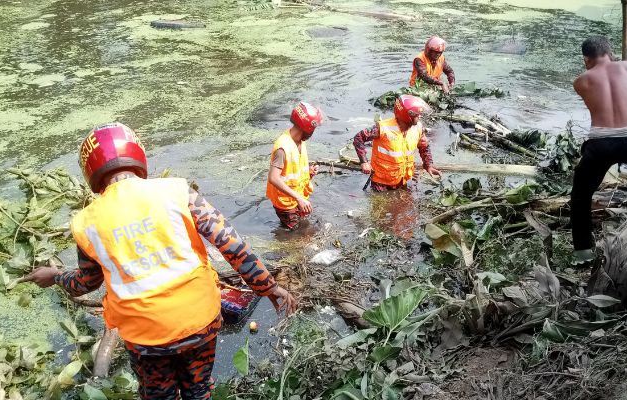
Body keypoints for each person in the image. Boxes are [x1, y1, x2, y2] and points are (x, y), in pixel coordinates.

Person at [24, 123, 296, 399]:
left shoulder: (86, 223)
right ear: (137, 154)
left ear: (90, 172)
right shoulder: (179, 191)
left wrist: (55, 275)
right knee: (198, 390)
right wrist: (268, 287)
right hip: (199, 321)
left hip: (145, 338)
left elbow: (85, 284)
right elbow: (232, 245)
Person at [570, 36, 627, 264]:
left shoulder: (580, 81)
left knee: (581, 195)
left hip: (601, 145)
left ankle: (583, 252)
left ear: (586, 59)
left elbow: (600, 99)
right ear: (610, 53)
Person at [353, 95, 441, 191]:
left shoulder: (418, 128)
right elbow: (359, 138)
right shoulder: (383, 128)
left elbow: (424, 147)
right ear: (408, 116)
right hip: (381, 183)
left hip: (403, 179)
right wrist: (364, 162)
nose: (419, 116)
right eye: (417, 115)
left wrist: (428, 165)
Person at [266, 102, 323, 230]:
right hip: (285, 203)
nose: (313, 132)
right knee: (297, 233)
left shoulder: (300, 141)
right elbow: (273, 178)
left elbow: (292, 169)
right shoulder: (282, 147)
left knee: (303, 227)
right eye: (314, 128)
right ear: (307, 127)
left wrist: (308, 172)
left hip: (296, 197)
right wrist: (299, 199)